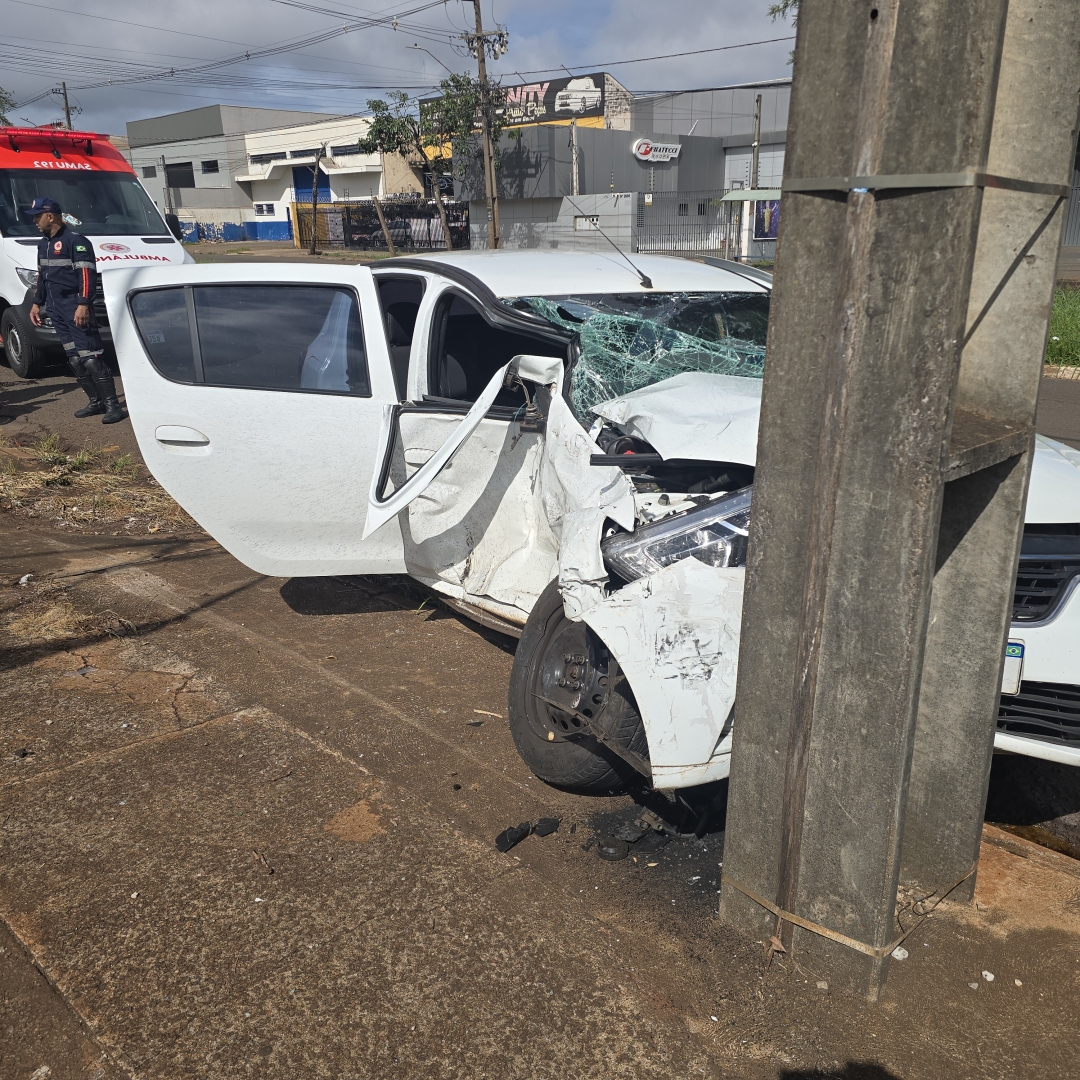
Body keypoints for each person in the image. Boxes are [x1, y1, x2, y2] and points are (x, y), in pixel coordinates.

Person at [25, 196, 127, 424]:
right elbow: (42, 277)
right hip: (55, 309)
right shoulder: (43, 244)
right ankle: (95, 402)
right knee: (74, 359)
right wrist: (36, 302)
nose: (35, 222)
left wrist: (83, 304)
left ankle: (113, 406)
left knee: (90, 358)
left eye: (37, 217)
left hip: (74, 307)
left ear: (50, 216)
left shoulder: (76, 241)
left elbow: (86, 275)